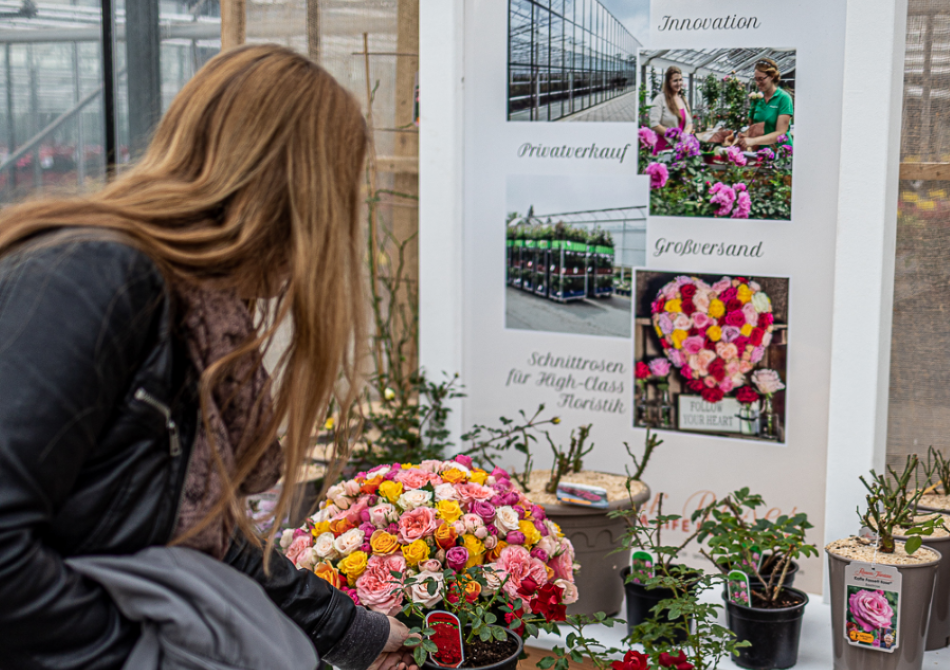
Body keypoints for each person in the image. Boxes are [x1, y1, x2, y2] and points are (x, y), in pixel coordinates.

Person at [0, 45, 417, 670]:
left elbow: (199, 537)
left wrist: (351, 630)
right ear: (297, 187)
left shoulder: (200, 317)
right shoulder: (103, 276)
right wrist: (135, 655)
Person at [737, 58, 794, 150]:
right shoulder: (757, 98)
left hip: (781, 153)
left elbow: (781, 133)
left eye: (761, 79)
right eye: (756, 79)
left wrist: (753, 141)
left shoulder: (783, 98)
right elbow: (755, 127)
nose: (758, 83)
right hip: (762, 153)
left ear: (772, 76)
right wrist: (743, 136)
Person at [648, 66, 694, 151]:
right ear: (668, 82)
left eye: (680, 80)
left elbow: (689, 123)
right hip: (665, 148)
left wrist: (684, 135)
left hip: (681, 149)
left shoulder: (683, 99)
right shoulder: (660, 99)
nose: (678, 83)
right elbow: (654, 124)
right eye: (675, 81)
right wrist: (674, 135)